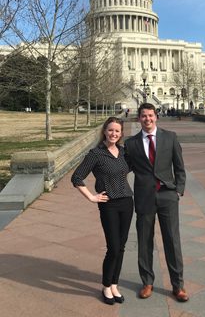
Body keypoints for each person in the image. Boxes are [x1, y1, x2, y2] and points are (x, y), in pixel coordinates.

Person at [124, 103, 189, 302]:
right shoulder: (131, 143)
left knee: (172, 241)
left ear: (156, 117)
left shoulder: (170, 137)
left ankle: (178, 285)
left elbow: (179, 167)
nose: (147, 119)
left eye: (150, 115)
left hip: (167, 196)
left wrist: (178, 190)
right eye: (143, 116)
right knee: (144, 241)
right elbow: (122, 168)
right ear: (139, 119)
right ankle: (147, 282)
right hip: (145, 197)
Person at [71, 117, 133, 306]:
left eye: (117, 131)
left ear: (121, 134)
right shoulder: (96, 154)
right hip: (109, 205)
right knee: (113, 247)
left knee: (121, 247)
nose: (114, 134)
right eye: (110, 130)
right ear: (104, 131)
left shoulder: (123, 153)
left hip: (127, 203)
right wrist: (91, 197)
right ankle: (106, 286)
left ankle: (115, 284)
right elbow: (77, 177)